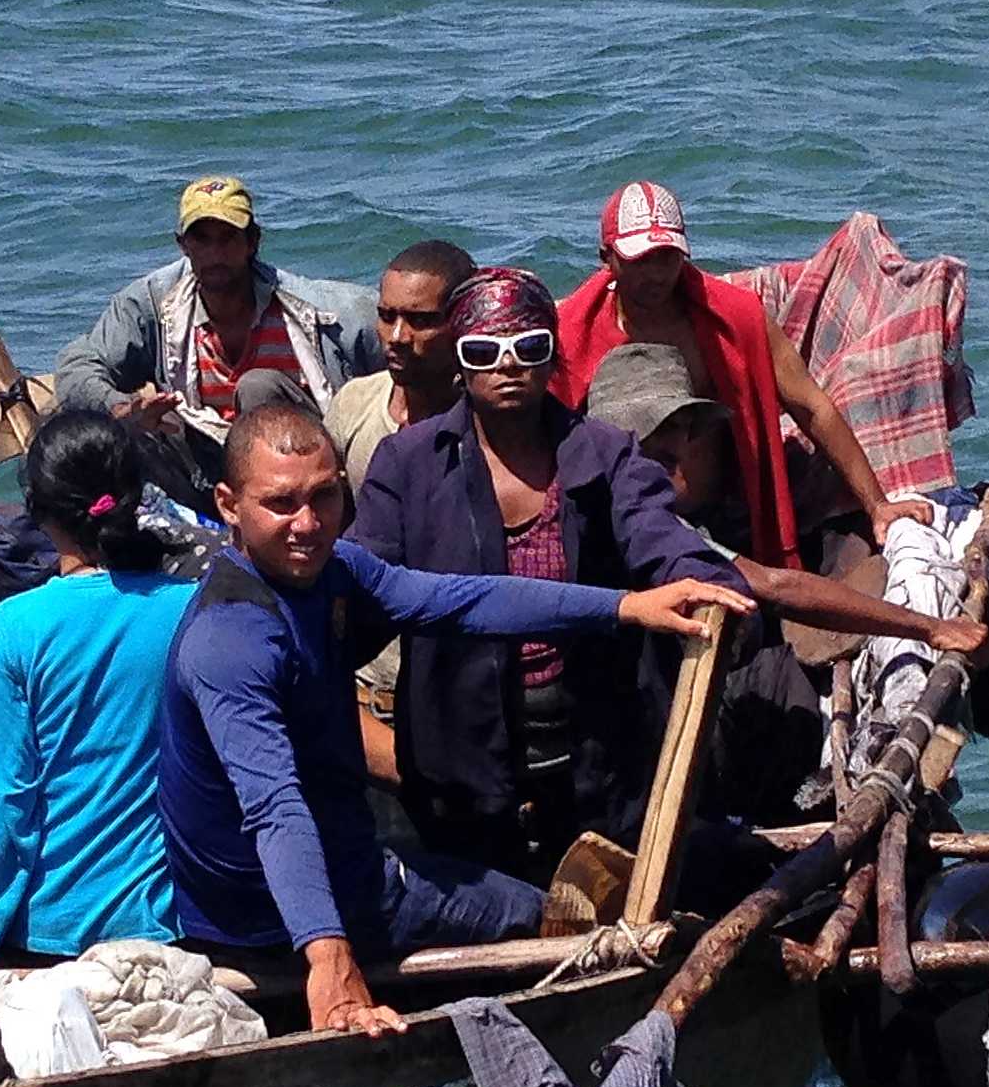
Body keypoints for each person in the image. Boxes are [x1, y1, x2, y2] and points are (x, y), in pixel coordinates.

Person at [159, 404, 750, 1037]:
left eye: (324, 497)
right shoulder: (231, 642)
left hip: (332, 867)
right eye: (281, 505)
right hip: (274, 912)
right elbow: (275, 807)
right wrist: (329, 957)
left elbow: (460, 598)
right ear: (227, 504)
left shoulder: (336, 574)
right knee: (537, 914)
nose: (307, 524)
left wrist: (629, 605)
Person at [352, 269, 749, 879]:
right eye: (484, 352)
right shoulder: (407, 465)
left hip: (598, 747)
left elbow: (657, 533)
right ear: (460, 362)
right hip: (458, 757)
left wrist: (704, 583)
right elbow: (364, 583)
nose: (507, 366)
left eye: (528, 348)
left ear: (552, 354)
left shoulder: (608, 451)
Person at [556, 180, 929, 571]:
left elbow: (811, 405)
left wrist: (878, 505)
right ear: (607, 258)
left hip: (720, 518)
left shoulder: (734, 317)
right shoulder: (569, 333)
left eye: (666, 257)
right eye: (640, 260)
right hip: (618, 523)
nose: (656, 274)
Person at [0, 408, 198, 965]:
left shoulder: (12, 629)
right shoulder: (193, 611)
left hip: (47, 932)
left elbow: (11, 803)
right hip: (172, 923)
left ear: (37, 509)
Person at [584, 344, 986, 662]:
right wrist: (928, 628)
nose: (681, 443)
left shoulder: (569, 486)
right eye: (665, 426)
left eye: (685, 428)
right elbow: (776, 586)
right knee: (781, 684)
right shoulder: (644, 519)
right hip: (632, 689)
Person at [52, 175, 382, 503]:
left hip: (295, 477)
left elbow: (391, 339)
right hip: (205, 473)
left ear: (253, 241)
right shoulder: (153, 304)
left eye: (227, 238)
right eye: (202, 239)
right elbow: (77, 365)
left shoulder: (315, 309)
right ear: (183, 245)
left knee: (258, 387)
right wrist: (123, 409)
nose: (215, 253)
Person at [324, 238, 476, 787]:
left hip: (453, 683)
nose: (396, 337)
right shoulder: (355, 405)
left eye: (419, 320)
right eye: (386, 316)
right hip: (366, 677)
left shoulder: (490, 428)